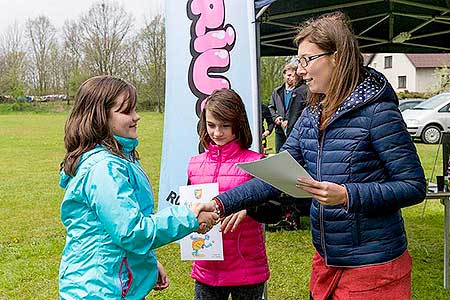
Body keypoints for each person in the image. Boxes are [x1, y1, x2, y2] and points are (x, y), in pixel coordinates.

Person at [208, 11, 426, 300]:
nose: (300, 70)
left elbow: (413, 186)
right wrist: (220, 203)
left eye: (307, 59)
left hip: (373, 267)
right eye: (299, 61)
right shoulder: (312, 115)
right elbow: (275, 174)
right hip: (326, 262)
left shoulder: (378, 112)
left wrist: (348, 195)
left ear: (336, 57)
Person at [58, 75, 218, 299]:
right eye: (126, 111)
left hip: (111, 281)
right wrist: (189, 217)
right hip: (100, 289)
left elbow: (118, 227)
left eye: (134, 109)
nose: (136, 117)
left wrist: (148, 262)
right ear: (99, 117)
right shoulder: (104, 168)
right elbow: (132, 231)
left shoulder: (120, 158)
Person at [188, 88, 270, 300]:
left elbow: (276, 210)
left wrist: (249, 208)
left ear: (238, 123)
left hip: (247, 267)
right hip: (207, 267)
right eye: (211, 125)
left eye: (225, 126)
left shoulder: (256, 162)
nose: (217, 133)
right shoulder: (195, 165)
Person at [269, 61, 308, 152]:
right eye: (289, 75)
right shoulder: (277, 91)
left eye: (293, 76)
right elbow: (271, 107)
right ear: (284, 75)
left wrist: (288, 120)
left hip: (293, 128)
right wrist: (276, 117)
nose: (291, 78)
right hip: (280, 129)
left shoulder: (299, 91)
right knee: (279, 153)